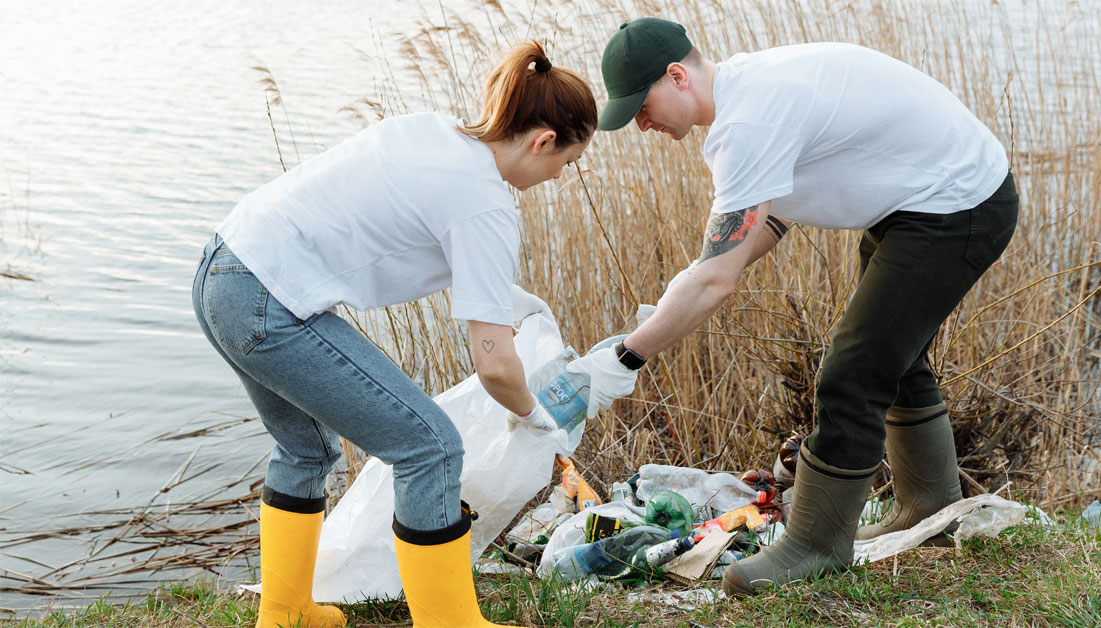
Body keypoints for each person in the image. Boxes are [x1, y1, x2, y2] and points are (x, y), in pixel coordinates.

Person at [569, 17, 1019, 596]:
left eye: (641, 106)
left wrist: (628, 357)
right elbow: (759, 228)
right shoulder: (751, 92)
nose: (641, 124)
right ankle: (931, 506)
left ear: (677, 76)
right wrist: (688, 285)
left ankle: (816, 545)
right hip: (918, 204)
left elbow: (717, 280)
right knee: (891, 356)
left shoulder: (746, 122)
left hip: (956, 204)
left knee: (854, 371)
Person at [191, 41, 597, 628]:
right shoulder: (485, 204)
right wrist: (539, 420)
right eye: (569, 161)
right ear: (543, 141)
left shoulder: (434, 133)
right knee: (430, 448)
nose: (561, 175)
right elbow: (497, 366)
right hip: (265, 300)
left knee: (306, 449)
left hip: (222, 270)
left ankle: (285, 614)